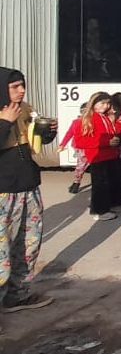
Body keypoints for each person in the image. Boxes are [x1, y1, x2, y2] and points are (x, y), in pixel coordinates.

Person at [0, 66, 57, 314]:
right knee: (1, 251)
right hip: (4, 191)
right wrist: (4, 122)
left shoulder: (26, 108)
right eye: (15, 87)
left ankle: (18, 295)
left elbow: (32, 142)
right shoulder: (7, 114)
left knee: (28, 243)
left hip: (28, 186)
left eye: (22, 85)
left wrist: (46, 134)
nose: (21, 91)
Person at [73, 92, 121, 221]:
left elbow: (112, 133)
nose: (106, 105)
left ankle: (112, 204)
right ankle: (99, 210)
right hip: (98, 157)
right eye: (102, 103)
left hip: (110, 154)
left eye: (107, 103)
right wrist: (106, 142)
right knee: (100, 185)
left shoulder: (105, 117)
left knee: (117, 180)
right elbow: (81, 141)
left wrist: (120, 125)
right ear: (94, 104)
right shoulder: (88, 120)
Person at [59, 104, 88, 195]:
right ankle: (76, 183)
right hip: (80, 148)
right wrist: (63, 144)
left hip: (89, 147)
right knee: (80, 166)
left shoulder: (93, 122)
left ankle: (76, 183)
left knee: (82, 166)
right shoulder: (76, 122)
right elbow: (69, 133)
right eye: (84, 111)